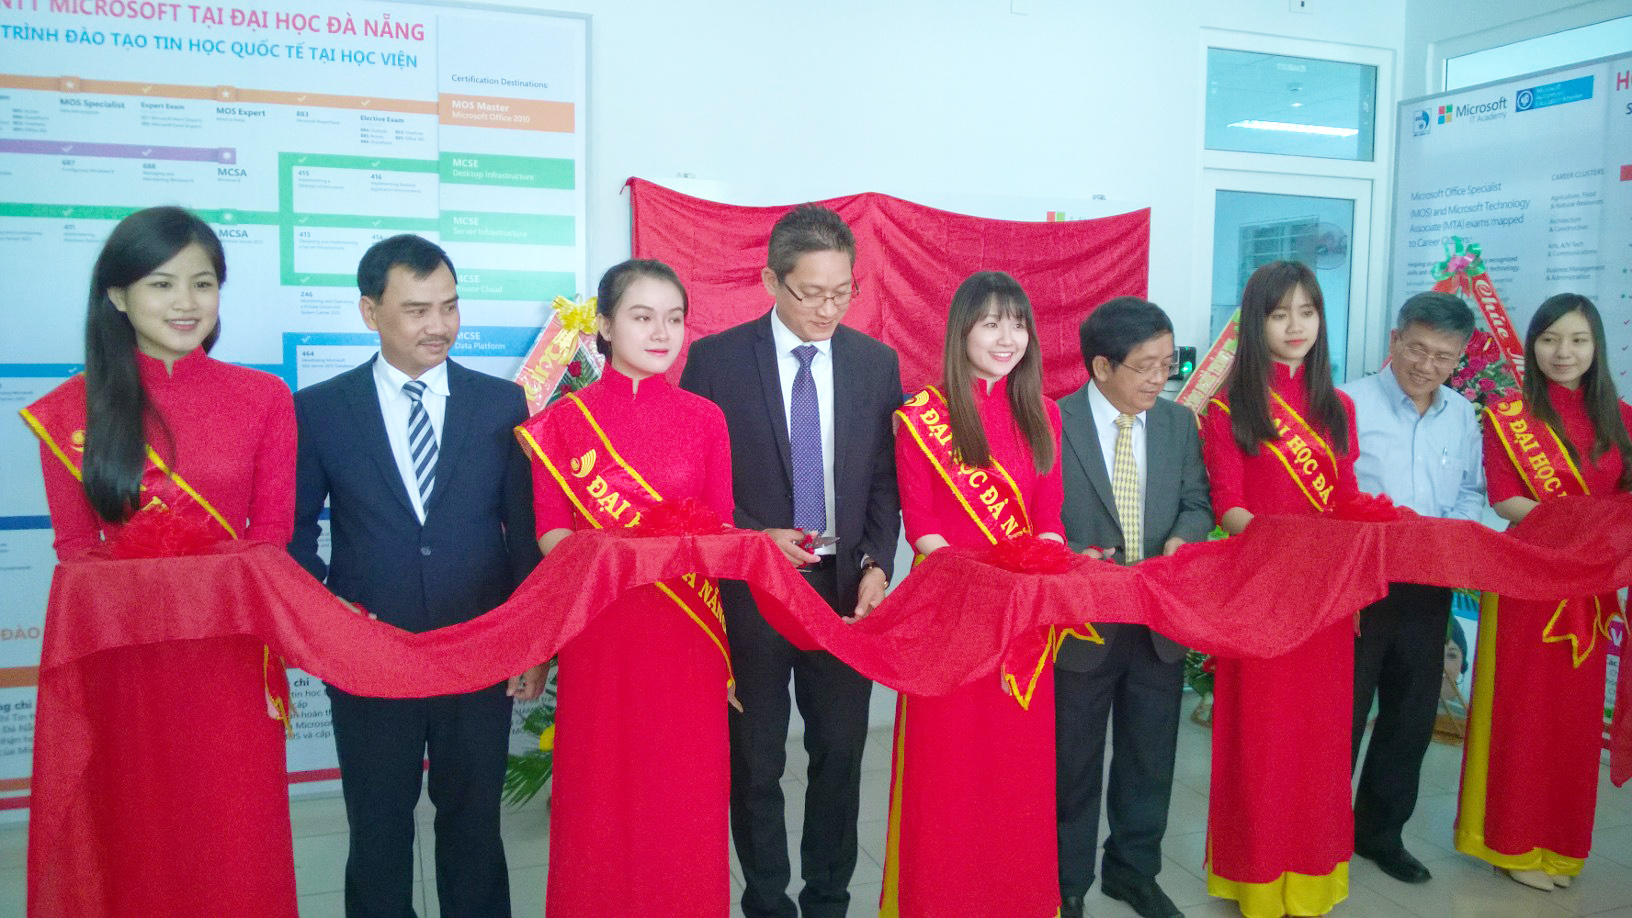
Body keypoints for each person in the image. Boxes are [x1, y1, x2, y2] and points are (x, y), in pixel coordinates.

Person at [20, 206, 299, 914]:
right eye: (161, 283)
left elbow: (270, 539)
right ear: (117, 295)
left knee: (235, 836)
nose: (186, 303)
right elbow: (77, 556)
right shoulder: (69, 413)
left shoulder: (264, 398)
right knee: (139, 837)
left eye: (203, 284)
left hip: (230, 661)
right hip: (127, 667)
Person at [289, 234, 541, 918]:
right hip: (369, 656)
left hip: (479, 650)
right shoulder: (321, 410)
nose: (439, 326)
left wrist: (531, 644)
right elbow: (293, 534)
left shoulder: (501, 405)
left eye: (450, 307)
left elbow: (523, 534)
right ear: (369, 312)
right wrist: (331, 621)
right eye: (417, 310)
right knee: (377, 828)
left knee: (474, 825)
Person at [679, 204, 902, 918]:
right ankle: (768, 900)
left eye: (843, 292)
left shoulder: (875, 364)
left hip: (843, 591)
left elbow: (884, 481)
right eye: (812, 293)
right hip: (753, 593)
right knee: (756, 760)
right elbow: (693, 484)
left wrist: (877, 563)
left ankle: (828, 897)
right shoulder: (716, 362)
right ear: (771, 281)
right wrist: (752, 539)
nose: (829, 309)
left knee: (840, 754)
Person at [515, 259, 736, 914]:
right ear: (606, 326)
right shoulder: (563, 422)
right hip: (603, 630)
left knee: (683, 793)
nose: (662, 333)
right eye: (643, 317)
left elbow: (720, 527)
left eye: (674, 318)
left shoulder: (706, 418)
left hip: (685, 632)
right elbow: (552, 531)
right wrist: (620, 563)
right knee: (602, 792)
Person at [881, 270, 1066, 916]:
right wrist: (983, 584)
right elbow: (922, 527)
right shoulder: (921, 418)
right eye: (991, 323)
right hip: (951, 618)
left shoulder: (1045, 415)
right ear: (961, 331)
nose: (1007, 337)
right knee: (948, 772)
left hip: (1022, 621)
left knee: (1016, 770)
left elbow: (1049, 517)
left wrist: (1042, 563)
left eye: (1018, 324)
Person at [1200, 260, 1361, 918]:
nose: (1296, 326)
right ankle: (1258, 879)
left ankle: (1314, 877)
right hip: (1263, 596)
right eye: (1279, 313)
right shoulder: (1228, 409)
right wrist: (1291, 547)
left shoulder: (1338, 407)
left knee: (1320, 743)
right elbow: (1229, 506)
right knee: (1262, 740)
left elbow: (1346, 499)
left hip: (1328, 602)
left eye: (1308, 311)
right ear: (1254, 323)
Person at [1455, 293, 1632, 891]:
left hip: (1590, 588)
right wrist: (1584, 533)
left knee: (1574, 724)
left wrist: (1596, 546)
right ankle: (1511, 843)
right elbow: (1505, 498)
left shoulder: (1623, 420)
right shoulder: (1509, 415)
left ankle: (1561, 843)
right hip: (1527, 582)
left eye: (1578, 340)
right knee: (1523, 715)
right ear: (1532, 346)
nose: (1563, 352)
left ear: (1596, 346)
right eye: (1550, 339)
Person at [1055, 296, 1213, 918]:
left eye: (1168, 364)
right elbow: (1034, 516)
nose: (1159, 379)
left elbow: (1198, 502)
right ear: (1102, 366)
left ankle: (1133, 871)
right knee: (1073, 762)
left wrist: (1183, 540)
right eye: (1146, 366)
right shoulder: (1053, 421)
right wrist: (1073, 556)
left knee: (1150, 757)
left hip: (1156, 620)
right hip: (1082, 622)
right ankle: (1067, 882)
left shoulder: (1177, 424)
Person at [1339, 292, 1484, 885]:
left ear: (1460, 357)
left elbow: (1472, 492)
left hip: (1428, 583)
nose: (1427, 366)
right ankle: (1321, 833)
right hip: (1358, 583)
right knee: (1342, 715)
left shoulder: (1462, 414)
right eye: (1417, 349)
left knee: (1410, 716)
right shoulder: (1348, 403)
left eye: (1443, 357)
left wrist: (1449, 538)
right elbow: (1331, 492)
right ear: (1394, 340)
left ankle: (1380, 834)